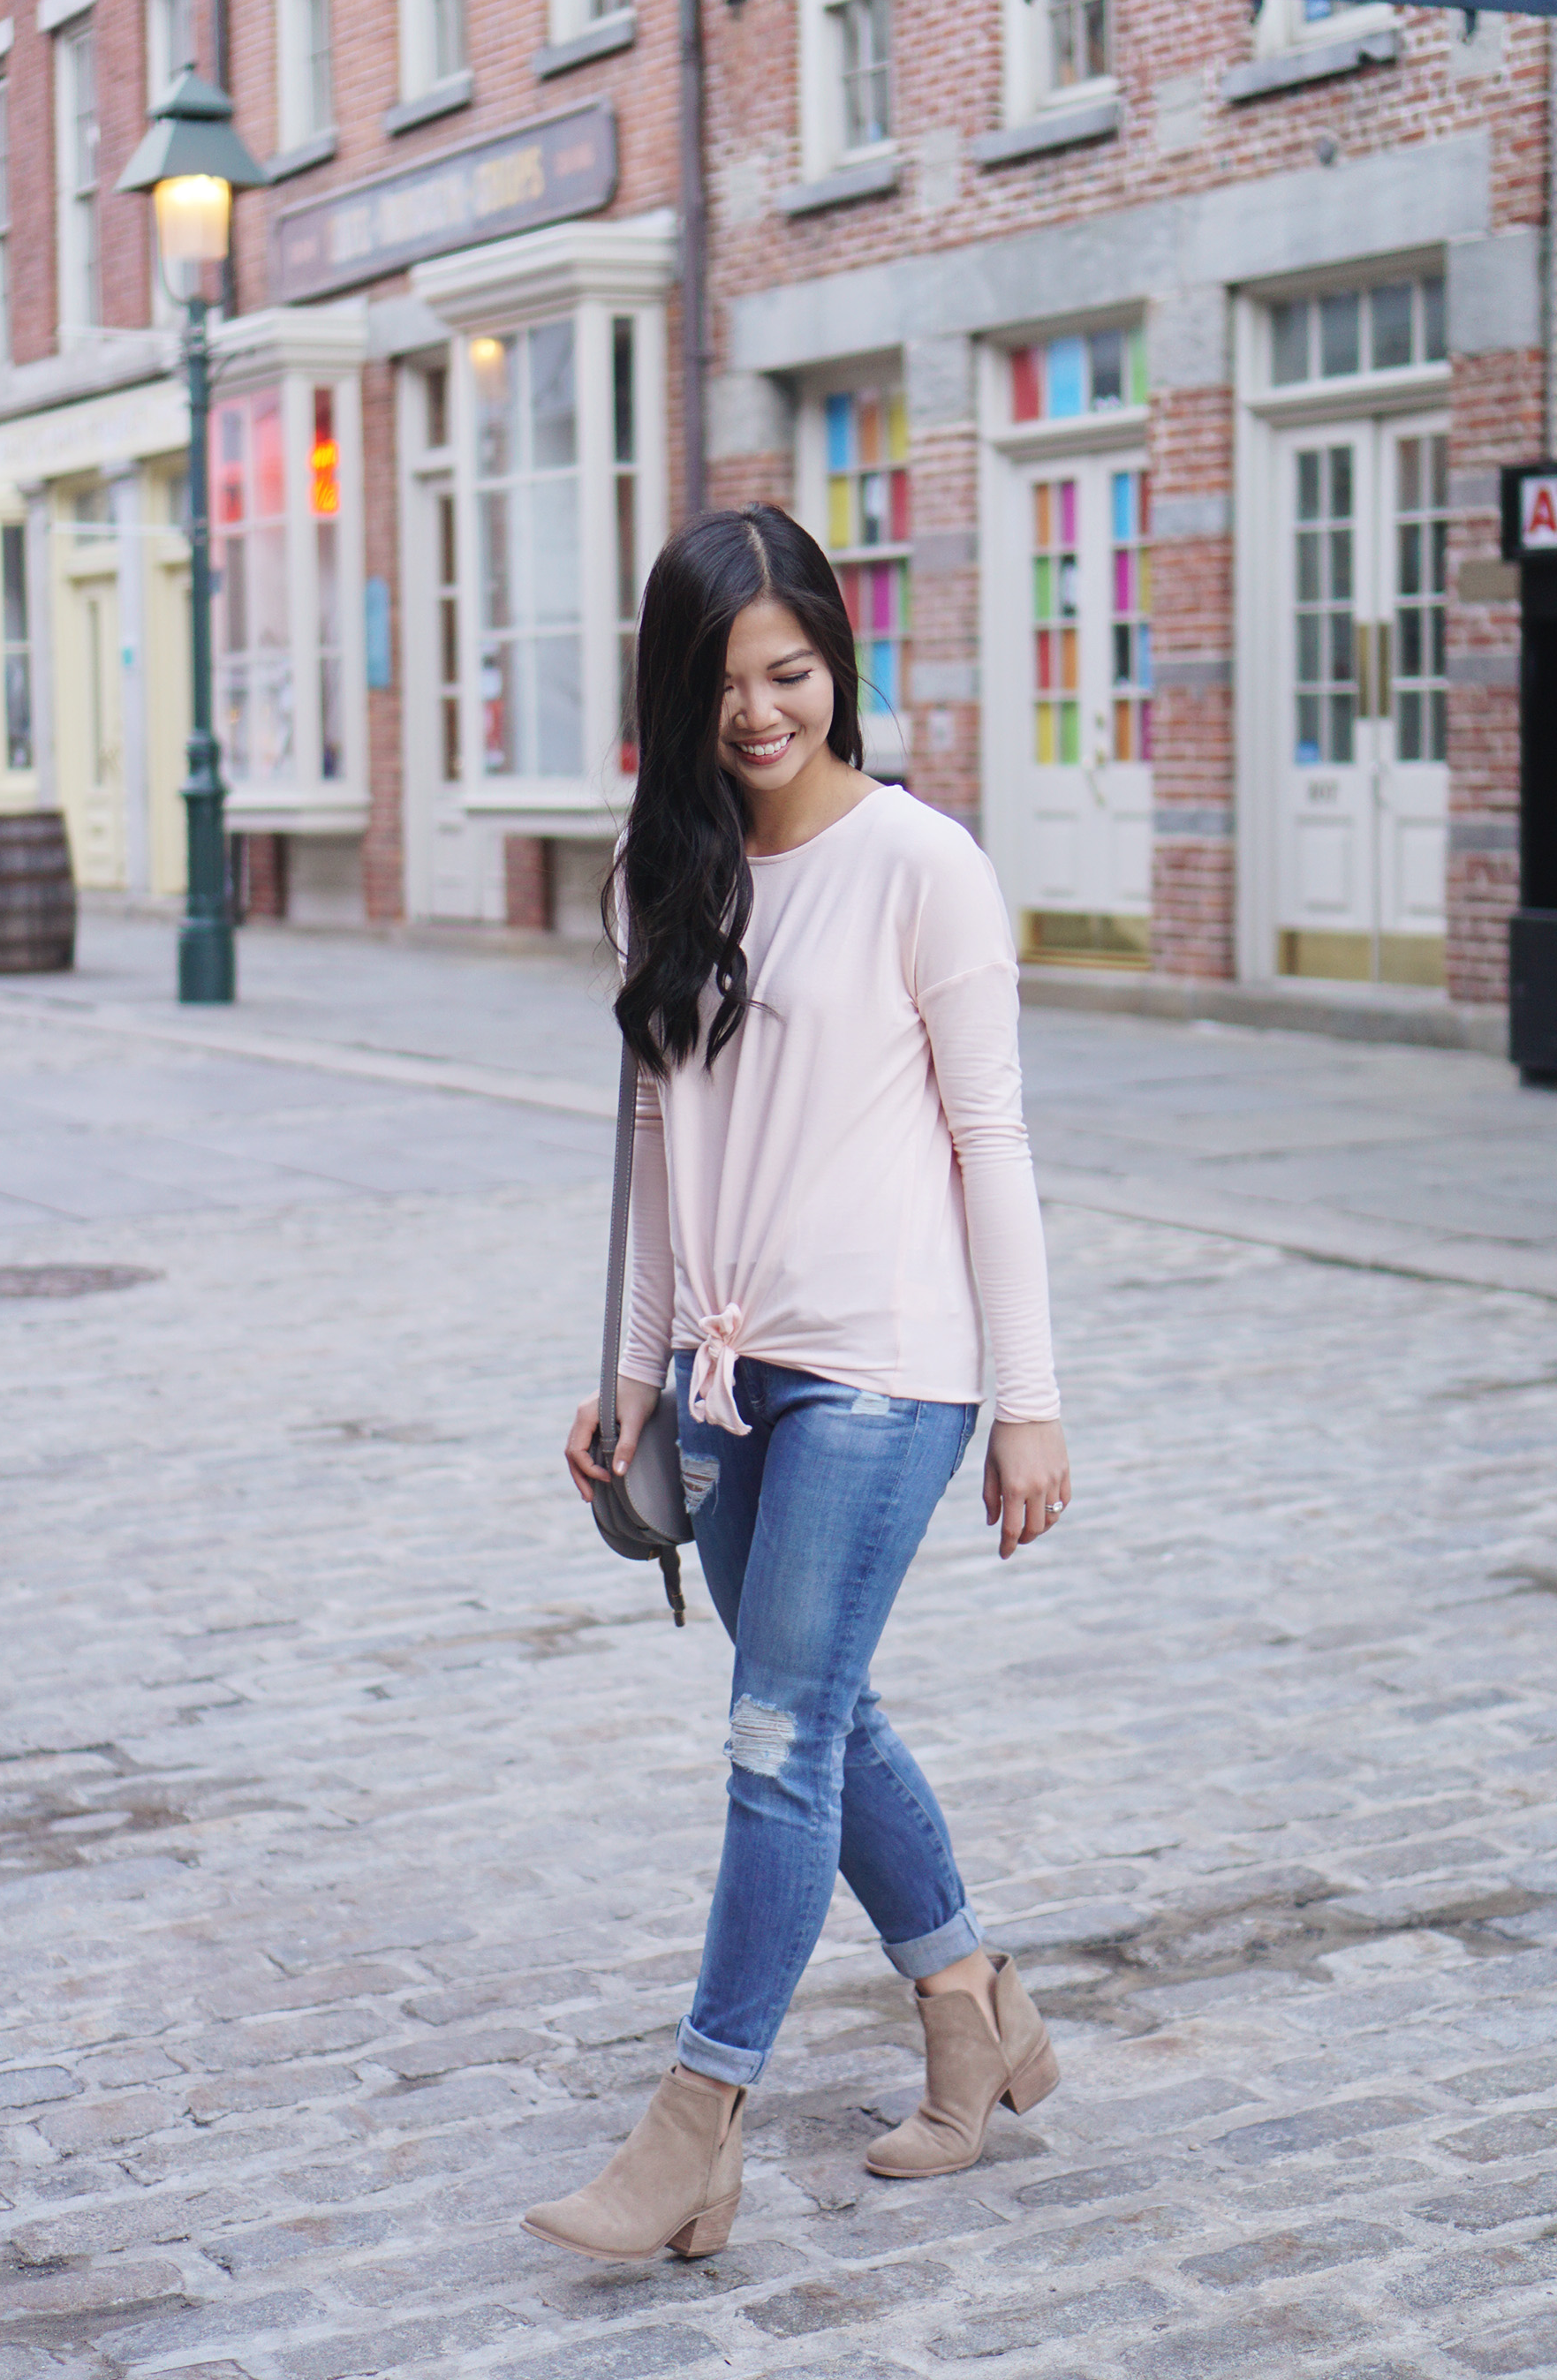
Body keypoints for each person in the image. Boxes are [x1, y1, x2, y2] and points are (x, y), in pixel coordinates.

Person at [525, 505, 1070, 2266]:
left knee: (774, 1734)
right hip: (724, 1370)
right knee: (821, 1710)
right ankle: (972, 1997)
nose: (762, 712)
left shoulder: (923, 863)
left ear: (838, 664)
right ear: (673, 696)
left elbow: (992, 1139)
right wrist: (629, 1377)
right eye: (724, 683)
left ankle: (696, 2129)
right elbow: (658, 1149)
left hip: (891, 1363)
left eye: (792, 672)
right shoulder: (660, 877)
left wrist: (1029, 1400)